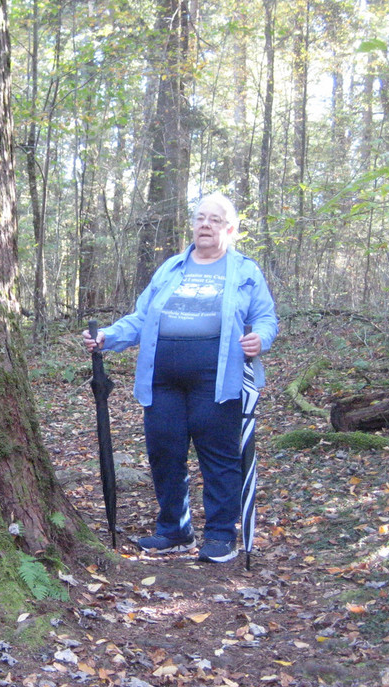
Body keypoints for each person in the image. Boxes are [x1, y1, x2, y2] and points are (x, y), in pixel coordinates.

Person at [82, 192, 277, 562]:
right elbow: (141, 318)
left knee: (218, 457)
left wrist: (260, 338)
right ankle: (174, 529)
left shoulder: (246, 271)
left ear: (230, 229)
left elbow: (266, 317)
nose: (205, 225)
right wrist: (108, 336)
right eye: (200, 218)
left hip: (217, 379)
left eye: (214, 220)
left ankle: (221, 535)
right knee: (164, 453)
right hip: (162, 379)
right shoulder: (171, 268)